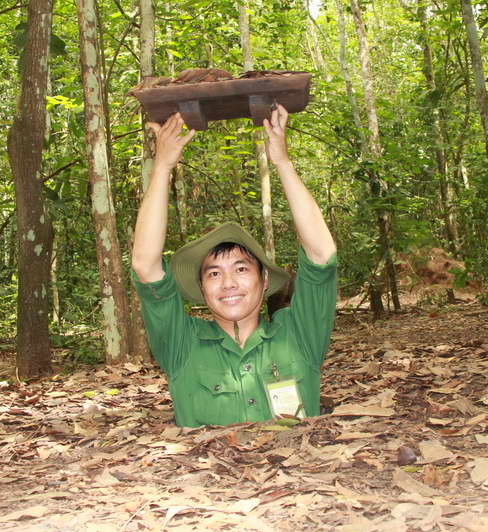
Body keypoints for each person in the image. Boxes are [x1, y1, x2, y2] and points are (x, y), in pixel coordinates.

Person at [131, 105, 337, 427]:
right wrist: (162, 167)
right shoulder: (183, 343)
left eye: (241, 269)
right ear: (201, 288)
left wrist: (282, 162)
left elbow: (322, 256)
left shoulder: (298, 334)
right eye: (214, 273)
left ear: (264, 278)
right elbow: (145, 267)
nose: (228, 283)